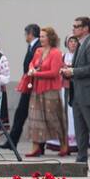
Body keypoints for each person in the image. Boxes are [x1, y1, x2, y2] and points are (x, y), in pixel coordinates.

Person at [60, 16, 90, 172]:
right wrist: (68, 72)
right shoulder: (81, 44)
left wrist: (72, 71)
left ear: (86, 28)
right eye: (73, 26)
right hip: (78, 94)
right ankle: (81, 159)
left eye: (77, 26)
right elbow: (81, 67)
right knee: (80, 129)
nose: (73, 29)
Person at [22, 26, 67, 157]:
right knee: (35, 118)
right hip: (37, 88)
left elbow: (54, 72)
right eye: (40, 36)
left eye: (43, 36)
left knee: (53, 118)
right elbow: (32, 63)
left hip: (50, 90)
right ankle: (35, 147)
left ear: (50, 38)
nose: (41, 38)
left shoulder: (56, 53)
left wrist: (37, 74)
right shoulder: (38, 51)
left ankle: (63, 144)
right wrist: (31, 69)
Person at [3, 24, 40, 149]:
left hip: (34, 85)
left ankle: (38, 145)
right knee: (20, 113)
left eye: (26, 34)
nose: (25, 37)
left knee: (30, 114)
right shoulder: (32, 46)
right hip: (28, 84)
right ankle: (12, 141)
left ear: (30, 34)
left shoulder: (38, 47)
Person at [49, 36, 78, 152]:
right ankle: (62, 142)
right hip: (63, 88)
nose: (73, 43)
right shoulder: (63, 56)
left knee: (72, 114)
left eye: (75, 41)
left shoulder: (79, 56)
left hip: (75, 88)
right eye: (71, 41)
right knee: (63, 113)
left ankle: (74, 142)